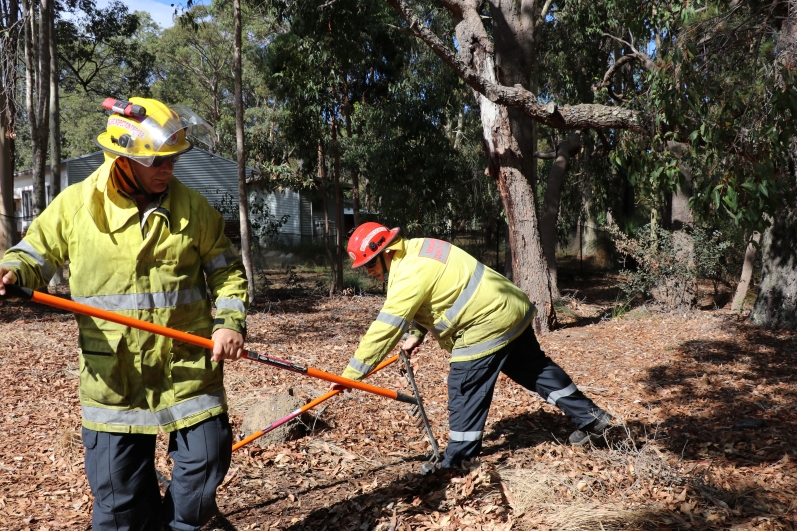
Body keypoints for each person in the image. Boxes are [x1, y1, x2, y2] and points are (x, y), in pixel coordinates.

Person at [0, 97, 248, 531]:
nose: (167, 168)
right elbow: (33, 255)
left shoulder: (194, 209)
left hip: (188, 370)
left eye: (173, 159)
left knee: (202, 477)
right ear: (123, 158)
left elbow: (227, 272)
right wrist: (12, 271)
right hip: (114, 379)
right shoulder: (76, 207)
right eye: (156, 160)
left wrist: (229, 323)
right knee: (120, 508)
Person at [336, 222, 611, 474]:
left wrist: (350, 375)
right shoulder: (421, 247)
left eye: (370, 263)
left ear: (386, 251)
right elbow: (436, 293)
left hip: (485, 323)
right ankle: (591, 418)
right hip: (510, 307)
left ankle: (457, 463)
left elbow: (385, 329)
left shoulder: (408, 273)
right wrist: (417, 333)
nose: (369, 271)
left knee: (463, 388)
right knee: (535, 369)